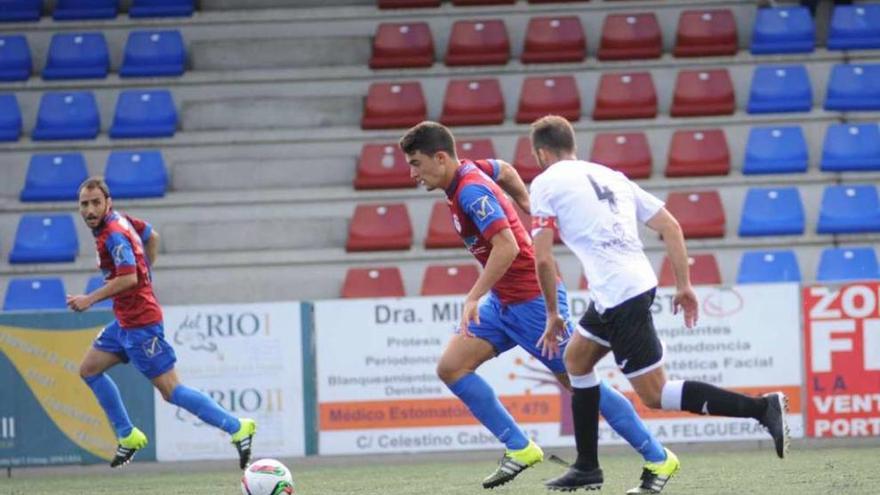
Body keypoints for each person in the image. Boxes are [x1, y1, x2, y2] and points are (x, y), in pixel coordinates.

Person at [399, 122, 679, 492]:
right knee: (451, 367)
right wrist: (526, 203)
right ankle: (520, 447)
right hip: (504, 303)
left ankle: (657, 455)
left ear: (439, 157)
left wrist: (472, 296)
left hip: (532, 301)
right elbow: (507, 170)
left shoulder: (471, 192)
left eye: (416, 163)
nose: (413, 173)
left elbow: (508, 248)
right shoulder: (470, 171)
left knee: (579, 384)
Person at [527, 116, 790, 492]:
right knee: (576, 361)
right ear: (573, 146)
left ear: (541, 153)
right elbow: (671, 226)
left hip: (620, 295)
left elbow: (542, 258)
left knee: (655, 394)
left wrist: (553, 313)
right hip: (623, 288)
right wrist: (683, 285)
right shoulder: (611, 175)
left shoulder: (544, 183)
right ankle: (587, 466)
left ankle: (761, 408)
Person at [68, 177, 257, 469]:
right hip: (124, 322)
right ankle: (127, 435)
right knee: (89, 370)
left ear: (108, 203)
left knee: (171, 390)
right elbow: (152, 236)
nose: (90, 209)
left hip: (141, 323)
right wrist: (146, 273)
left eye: (95, 203)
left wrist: (89, 299)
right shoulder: (122, 221)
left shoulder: (113, 235)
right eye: (84, 204)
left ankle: (236, 428)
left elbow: (129, 278)